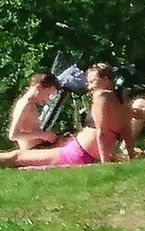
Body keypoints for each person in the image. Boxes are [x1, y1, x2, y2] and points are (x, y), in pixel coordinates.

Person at [0, 63, 135, 167]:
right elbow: (123, 130)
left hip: (77, 153)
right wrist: (130, 153)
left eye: (92, 82)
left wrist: (106, 161)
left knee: (16, 157)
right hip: (70, 150)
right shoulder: (120, 99)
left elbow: (103, 132)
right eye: (89, 82)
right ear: (39, 87)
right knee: (16, 156)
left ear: (105, 79)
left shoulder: (103, 96)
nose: (89, 87)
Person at [6, 72, 59, 150]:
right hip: (32, 150)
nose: (47, 99)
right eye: (48, 94)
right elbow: (13, 135)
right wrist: (42, 135)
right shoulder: (25, 104)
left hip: (39, 146)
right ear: (39, 87)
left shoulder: (31, 104)